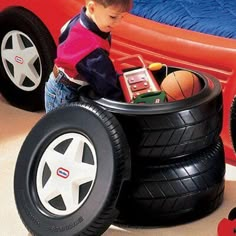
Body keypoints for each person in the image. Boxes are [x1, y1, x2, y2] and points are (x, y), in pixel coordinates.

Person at [45, 0, 133, 113]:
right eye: (113, 17)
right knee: (61, 128)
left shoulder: (85, 20)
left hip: (66, 80)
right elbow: (105, 85)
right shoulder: (90, 48)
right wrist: (123, 103)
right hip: (64, 93)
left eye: (122, 17)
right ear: (92, 8)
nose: (118, 22)